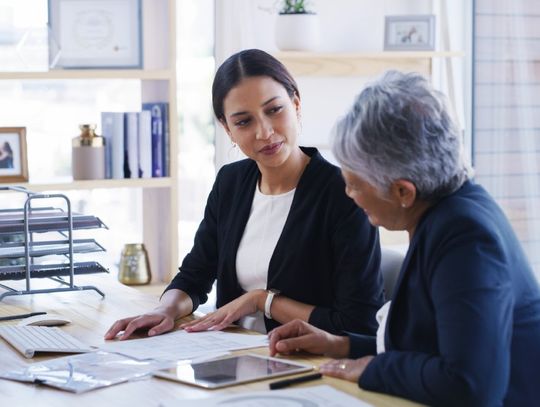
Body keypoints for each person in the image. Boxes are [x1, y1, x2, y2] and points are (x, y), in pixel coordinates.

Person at [268, 71, 540, 406]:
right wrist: (342, 344)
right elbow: (437, 346)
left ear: (402, 191)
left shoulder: (465, 238)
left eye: (354, 183)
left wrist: (376, 369)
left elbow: (470, 384)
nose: (348, 194)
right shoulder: (451, 210)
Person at [105, 49, 383, 341]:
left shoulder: (345, 194)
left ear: (296, 104)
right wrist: (166, 310)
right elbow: (195, 274)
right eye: (243, 122)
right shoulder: (231, 182)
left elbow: (358, 323)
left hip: (307, 364)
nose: (264, 132)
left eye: (274, 110)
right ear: (227, 129)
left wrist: (262, 301)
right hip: (231, 356)